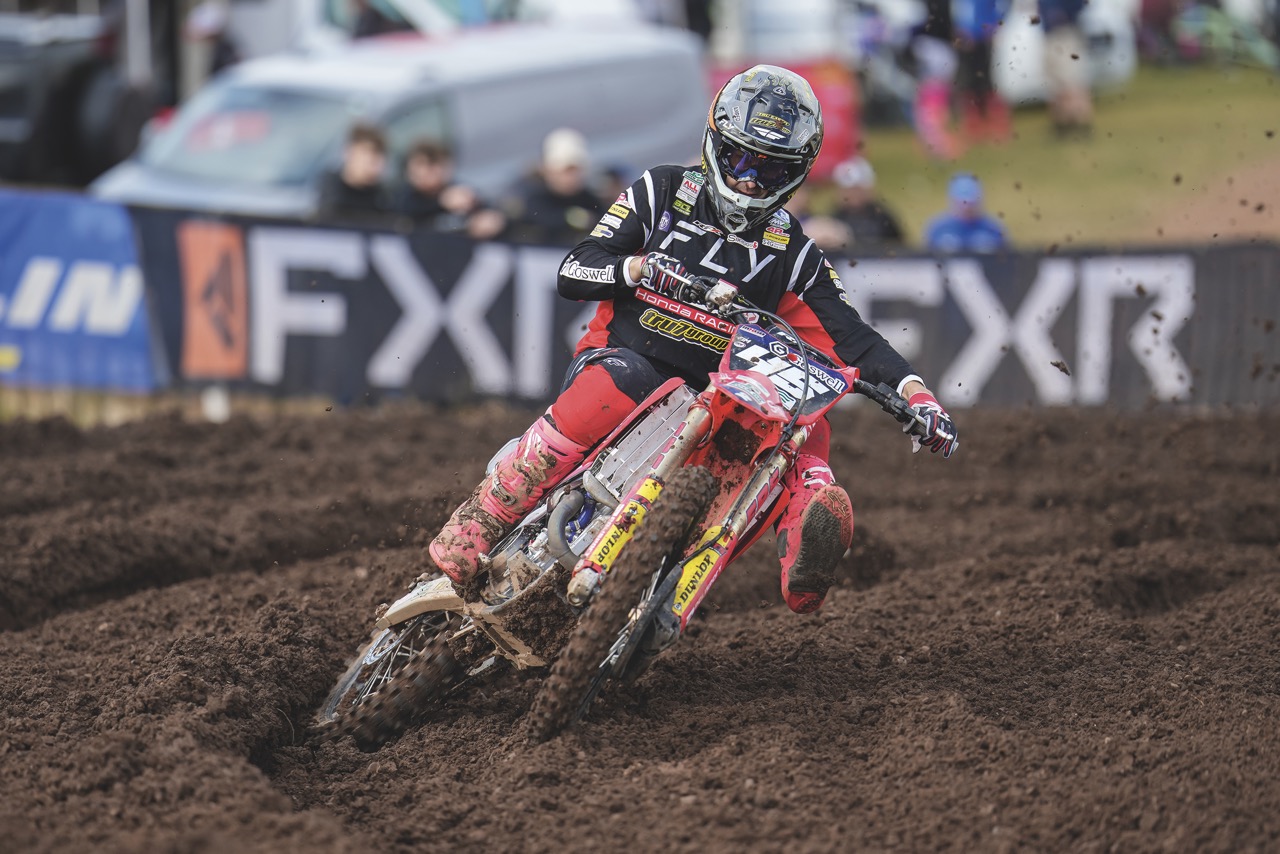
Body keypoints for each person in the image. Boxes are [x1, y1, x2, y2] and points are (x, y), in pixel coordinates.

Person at [428, 65, 959, 615]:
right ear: (717, 143)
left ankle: (806, 528)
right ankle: (485, 516)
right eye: (742, 159)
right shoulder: (662, 190)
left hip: (719, 396)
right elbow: (574, 269)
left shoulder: (792, 247)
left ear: (795, 174)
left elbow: (853, 336)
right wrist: (637, 269)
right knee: (626, 380)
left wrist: (916, 393)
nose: (752, 180)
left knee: (801, 420)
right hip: (626, 357)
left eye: (771, 169)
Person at [501, 128, 605, 245]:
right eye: (565, 171)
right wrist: (570, 219)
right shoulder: (526, 197)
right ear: (547, 169)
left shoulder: (589, 199)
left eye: (576, 170)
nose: (571, 178)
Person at [392, 139, 506, 239]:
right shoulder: (403, 198)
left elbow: (494, 212)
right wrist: (440, 202)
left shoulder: (458, 192)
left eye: (435, 164)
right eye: (422, 165)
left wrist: (492, 220)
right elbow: (406, 214)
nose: (429, 171)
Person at [801, 156, 906, 252]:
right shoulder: (831, 219)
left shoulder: (883, 219)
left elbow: (901, 248)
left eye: (857, 189)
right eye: (847, 189)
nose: (852, 195)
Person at [952, 0, 1012, 143]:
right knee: (968, 83)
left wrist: (993, 25)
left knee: (987, 82)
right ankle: (974, 127)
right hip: (965, 41)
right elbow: (959, 12)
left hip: (983, 38)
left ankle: (997, 125)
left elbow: (1004, 5)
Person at [1039, 0, 1094, 136]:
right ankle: (1062, 125)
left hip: (1065, 33)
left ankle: (1080, 125)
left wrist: (1064, 15)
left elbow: (1080, 6)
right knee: (1056, 85)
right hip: (1049, 35)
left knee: (1071, 83)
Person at [317, 123, 390, 220]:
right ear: (348, 153)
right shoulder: (331, 189)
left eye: (377, 157)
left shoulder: (384, 199)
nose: (372, 163)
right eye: (365, 154)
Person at [924, 172, 1008, 252]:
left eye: (971, 203)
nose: (967, 207)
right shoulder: (938, 228)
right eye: (962, 202)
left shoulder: (993, 228)